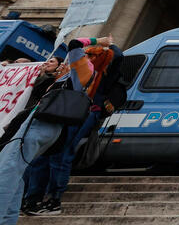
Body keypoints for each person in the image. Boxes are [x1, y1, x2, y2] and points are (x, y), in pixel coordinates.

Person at [0, 34, 113, 224]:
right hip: (48, 129)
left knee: (7, 170)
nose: (65, 62)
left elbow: (75, 43)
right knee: (16, 173)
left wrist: (99, 41)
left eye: (69, 60)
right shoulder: (72, 77)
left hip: (39, 125)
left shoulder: (83, 69)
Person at [25, 37, 123, 215]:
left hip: (79, 114)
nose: (87, 56)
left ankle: (53, 200)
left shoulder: (96, 71)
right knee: (42, 156)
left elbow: (116, 55)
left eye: (92, 54)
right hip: (63, 114)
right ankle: (33, 198)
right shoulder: (73, 71)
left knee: (60, 156)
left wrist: (105, 43)